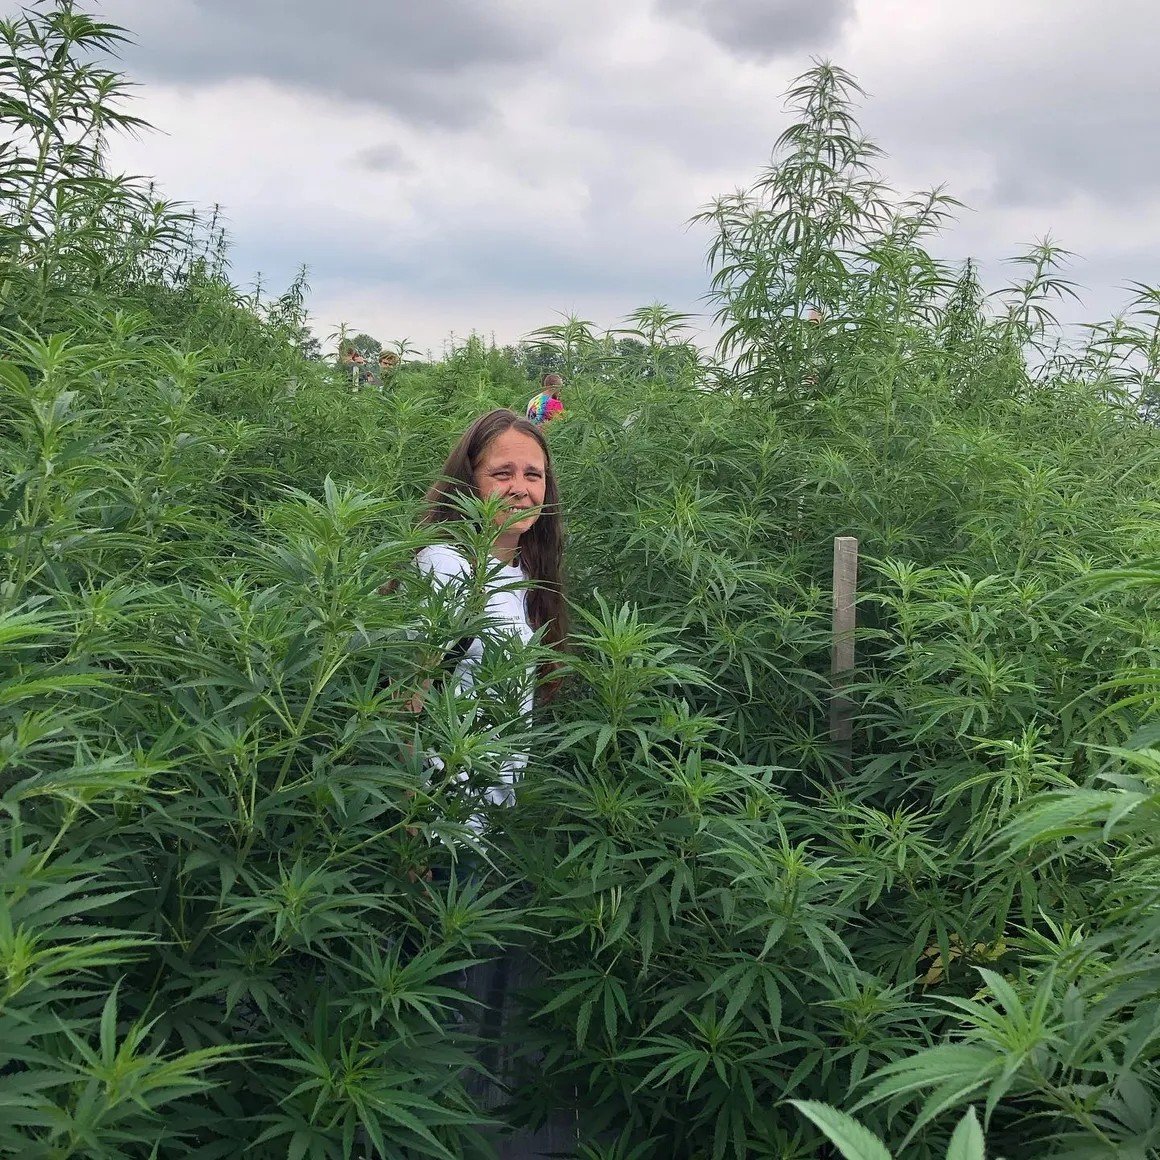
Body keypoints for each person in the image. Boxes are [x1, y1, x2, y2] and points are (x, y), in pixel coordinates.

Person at [410, 407, 567, 823]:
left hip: (492, 813)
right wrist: (411, 826)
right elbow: (405, 699)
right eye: (502, 474)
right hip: (441, 815)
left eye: (533, 475)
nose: (520, 489)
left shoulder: (527, 573)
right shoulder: (446, 566)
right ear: (469, 483)